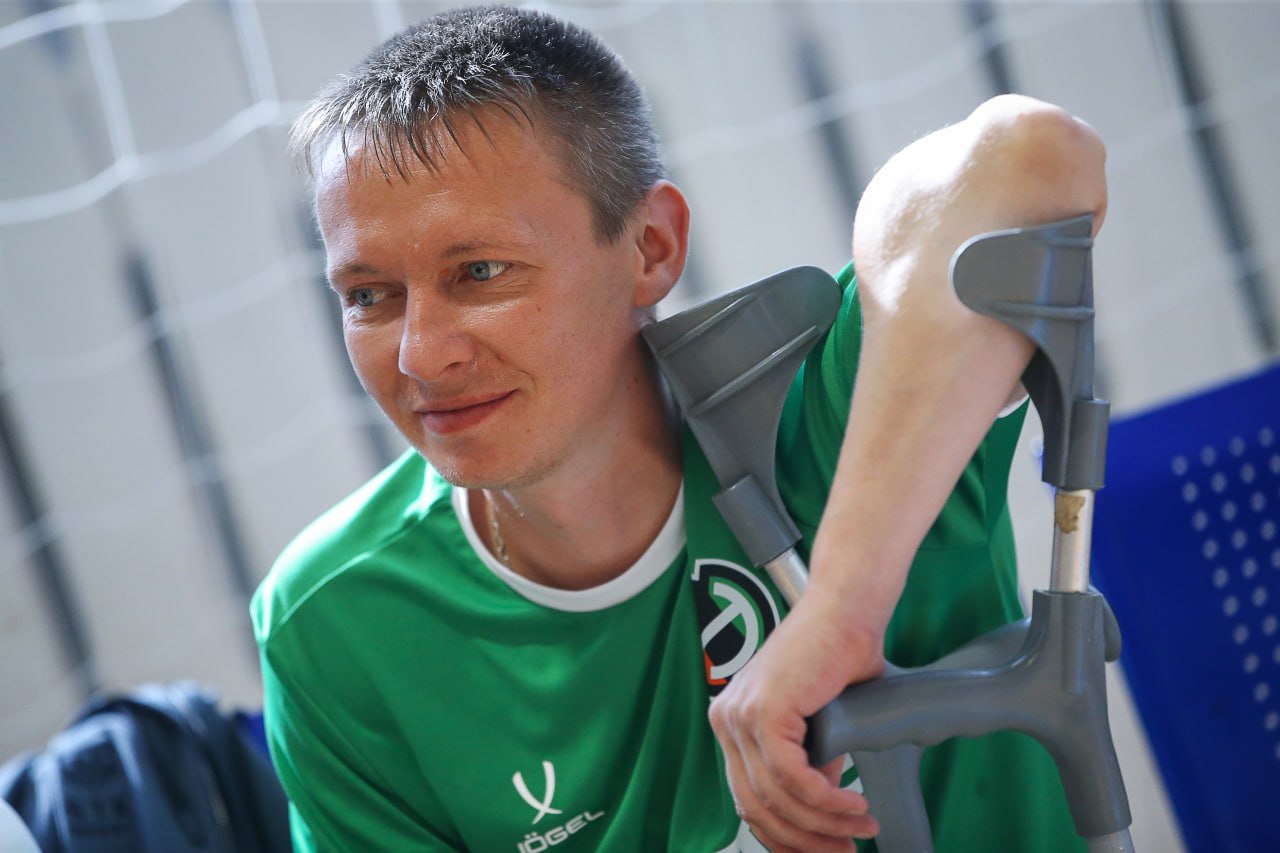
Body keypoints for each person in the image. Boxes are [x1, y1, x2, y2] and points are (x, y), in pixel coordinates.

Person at [250, 5, 1107, 852]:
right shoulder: (333, 622)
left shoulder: (831, 409)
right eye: (369, 295)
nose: (420, 355)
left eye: (480, 271)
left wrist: (839, 613)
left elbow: (1032, 158)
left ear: (651, 248)